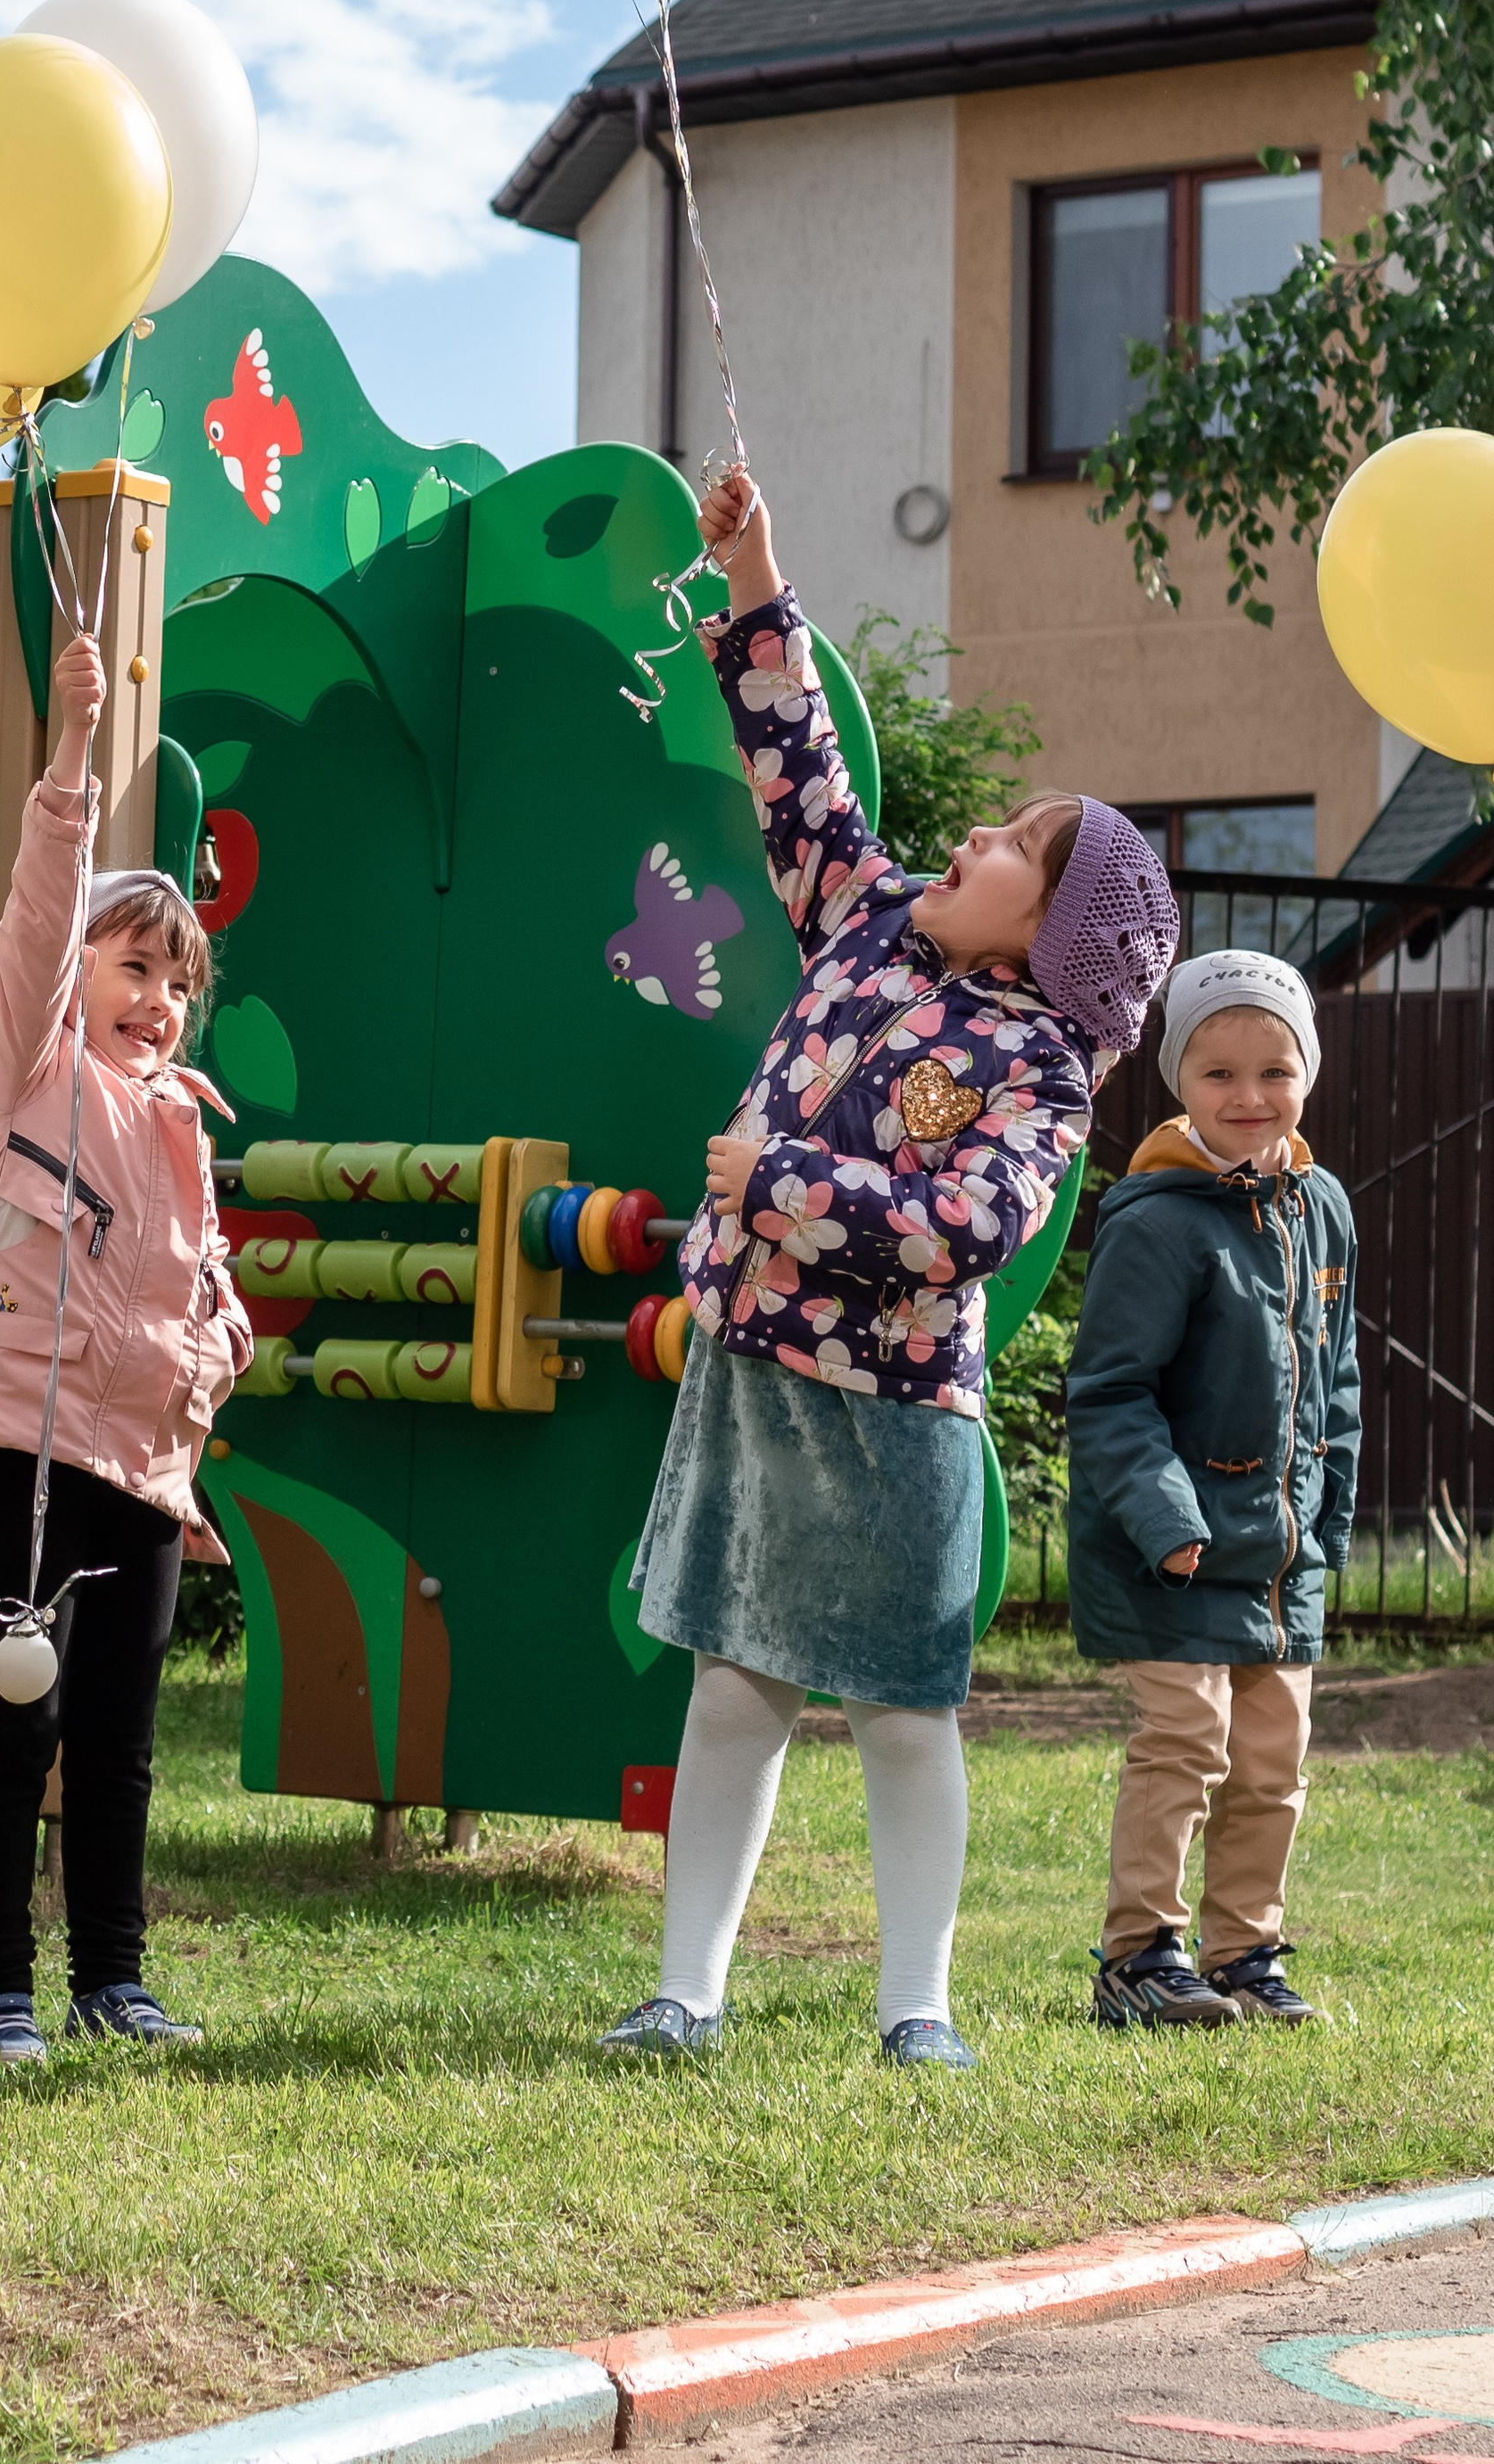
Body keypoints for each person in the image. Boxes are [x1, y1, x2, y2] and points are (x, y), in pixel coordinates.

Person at [601, 466, 1178, 2070]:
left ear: (1040, 942)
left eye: (1018, 844)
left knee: (908, 1712)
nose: (977, 828)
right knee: (736, 1690)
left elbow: (971, 1228)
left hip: (902, 1414)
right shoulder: (865, 920)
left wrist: (777, 1178)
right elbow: (798, 765)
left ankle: (917, 2005)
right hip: (758, 1371)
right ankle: (685, 1993)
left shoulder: (1041, 1066)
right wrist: (756, 568)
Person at [0, 629, 251, 2068]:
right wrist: (70, 753)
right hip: (30, 1449)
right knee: (20, 1725)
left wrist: (220, 1335)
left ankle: (110, 1978)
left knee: (117, 1739)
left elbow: (204, 1277)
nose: (156, 999)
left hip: (146, 1464)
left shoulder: (181, 1113)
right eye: (132, 967)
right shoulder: (29, 1065)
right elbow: (35, 921)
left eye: (177, 981)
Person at [1067, 949, 1358, 2031]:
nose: (1249, 1096)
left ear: (1308, 1075)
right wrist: (1165, 1518)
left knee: (1274, 1759)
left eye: (1274, 1070)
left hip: (1282, 1551)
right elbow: (1108, 1393)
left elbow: (1338, 1379)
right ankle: (1139, 1954)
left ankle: (1245, 1951)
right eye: (1218, 1071)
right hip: (1171, 1549)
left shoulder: (1321, 1206)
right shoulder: (1155, 1219)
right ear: (1178, 1078)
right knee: (1186, 1742)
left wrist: (1327, 1516)